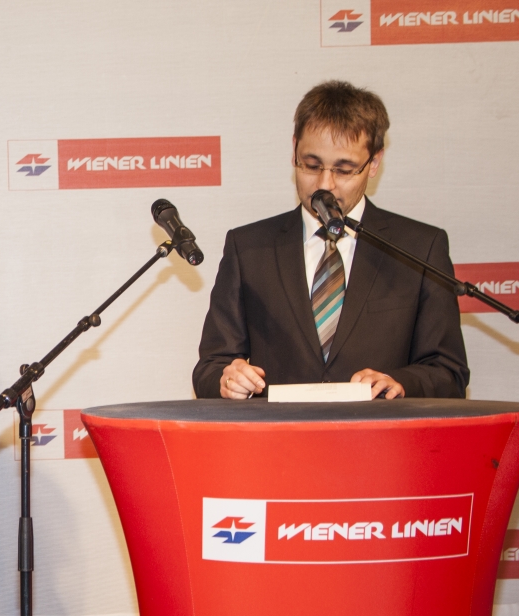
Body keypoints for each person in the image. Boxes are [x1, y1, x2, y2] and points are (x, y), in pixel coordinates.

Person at [194, 80, 469, 400]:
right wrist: (227, 379)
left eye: (344, 169)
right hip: (278, 444)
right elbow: (211, 367)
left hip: (380, 443)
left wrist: (400, 382)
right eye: (311, 165)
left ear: (374, 162)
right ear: (294, 148)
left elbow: (449, 372)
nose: (324, 184)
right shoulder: (250, 247)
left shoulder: (419, 247)